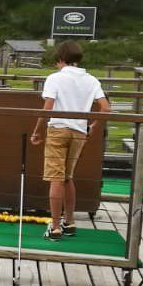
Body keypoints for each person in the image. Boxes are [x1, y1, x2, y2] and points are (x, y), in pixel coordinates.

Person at [30, 40, 111, 240]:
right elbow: (106, 108)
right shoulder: (91, 80)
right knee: (68, 177)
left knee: (56, 178)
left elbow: (47, 107)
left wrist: (37, 130)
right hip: (79, 131)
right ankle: (70, 221)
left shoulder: (55, 79)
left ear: (60, 59)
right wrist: (93, 126)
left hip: (58, 129)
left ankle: (55, 226)